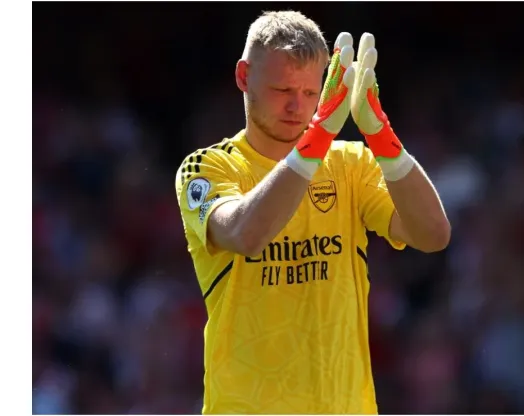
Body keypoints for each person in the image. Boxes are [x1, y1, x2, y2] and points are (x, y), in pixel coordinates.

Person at [175, 10, 450, 414]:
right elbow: (247, 234)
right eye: (282, 89)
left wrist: (380, 134)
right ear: (243, 76)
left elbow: (433, 235)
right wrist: (319, 135)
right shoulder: (208, 168)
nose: (296, 106)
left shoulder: (351, 165)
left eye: (309, 92)